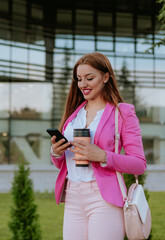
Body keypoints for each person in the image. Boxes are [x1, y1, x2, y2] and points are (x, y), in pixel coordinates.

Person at [50, 52, 146, 240]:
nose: (83, 84)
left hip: (103, 198)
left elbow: (139, 164)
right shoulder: (73, 114)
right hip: (73, 196)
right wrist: (56, 152)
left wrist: (103, 156)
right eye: (79, 79)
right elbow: (61, 163)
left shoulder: (123, 112)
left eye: (89, 78)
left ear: (105, 77)